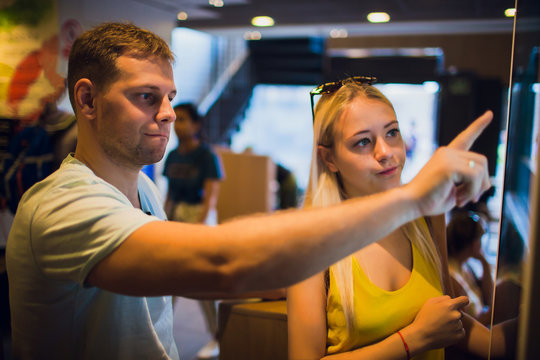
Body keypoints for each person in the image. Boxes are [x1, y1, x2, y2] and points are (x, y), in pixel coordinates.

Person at [7, 22, 492, 360]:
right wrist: (411, 198)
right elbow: (223, 266)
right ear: (87, 100)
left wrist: (322, 285)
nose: (170, 113)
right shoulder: (63, 204)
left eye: (170, 97)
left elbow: (185, 281)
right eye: (145, 97)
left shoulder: (143, 193)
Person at [287, 78, 513, 359]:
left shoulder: (428, 217)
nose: (386, 152)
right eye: (363, 142)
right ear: (329, 159)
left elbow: (448, 321)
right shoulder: (310, 245)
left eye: (392, 133)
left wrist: (512, 337)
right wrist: (413, 339)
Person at [163, 102, 223, 359]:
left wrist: (200, 226)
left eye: (185, 120)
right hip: (175, 216)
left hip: (199, 217)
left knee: (203, 284)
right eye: (178, 120)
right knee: (170, 282)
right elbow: (169, 194)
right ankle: (162, 336)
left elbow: (211, 196)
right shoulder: (173, 156)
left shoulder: (207, 156)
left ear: (197, 124)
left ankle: (218, 339)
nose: (179, 125)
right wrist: (162, 220)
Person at [447, 211, 493, 325]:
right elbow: (465, 326)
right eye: (480, 238)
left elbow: (488, 298)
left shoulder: (466, 266)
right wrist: (495, 313)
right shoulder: (451, 276)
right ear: (473, 243)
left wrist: (485, 263)